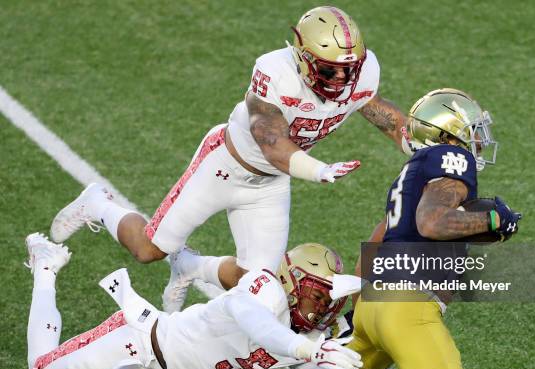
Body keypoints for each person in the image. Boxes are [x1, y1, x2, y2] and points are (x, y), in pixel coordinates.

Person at [49, 5, 412, 312]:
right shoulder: (276, 72)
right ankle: (97, 203)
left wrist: (431, 150)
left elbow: (387, 117)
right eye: (330, 68)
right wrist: (318, 170)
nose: (342, 78)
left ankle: (191, 267)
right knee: (148, 250)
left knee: (258, 288)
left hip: (269, 186)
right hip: (223, 167)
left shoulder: (359, 75)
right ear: (302, 58)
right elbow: (271, 139)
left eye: (349, 68)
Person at [276, 88, 523, 369]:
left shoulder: (412, 175)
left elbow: (376, 243)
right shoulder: (453, 158)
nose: (478, 140)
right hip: (409, 311)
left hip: (373, 309)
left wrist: (359, 310)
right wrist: (493, 219)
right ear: (449, 134)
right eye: (472, 130)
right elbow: (432, 223)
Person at [25, 234, 400, 369]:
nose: (322, 310)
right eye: (316, 296)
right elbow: (254, 322)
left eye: (330, 301)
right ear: (291, 281)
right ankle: (45, 265)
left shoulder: (311, 335)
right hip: (138, 343)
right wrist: (307, 349)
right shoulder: (263, 289)